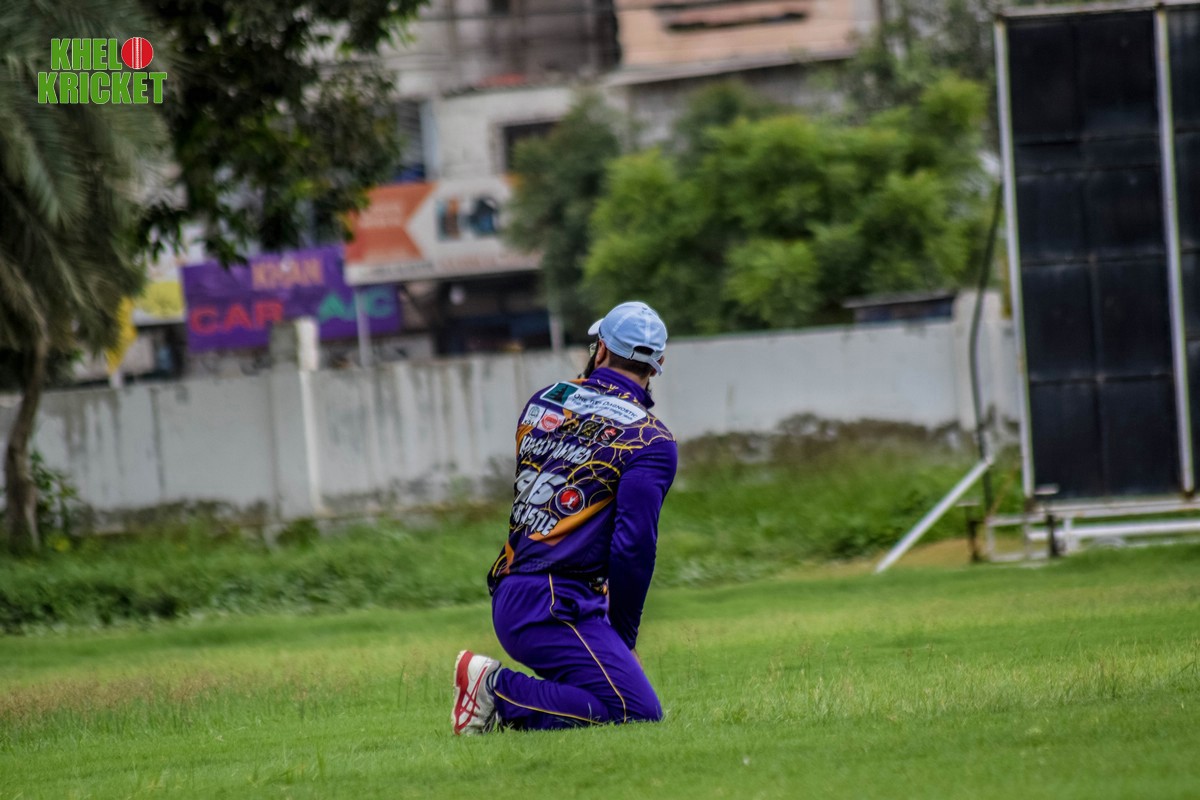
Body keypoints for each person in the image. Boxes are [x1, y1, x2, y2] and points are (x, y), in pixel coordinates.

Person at [452, 301, 678, 735]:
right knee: (635, 712)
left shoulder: (543, 402)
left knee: (614, 702)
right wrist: (624, 638)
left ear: (601, 349)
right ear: (659, 364)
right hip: (553, 602)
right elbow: (632, 546)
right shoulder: (650, 441)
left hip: (520, 590)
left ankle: (498, 697)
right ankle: (493, 690)